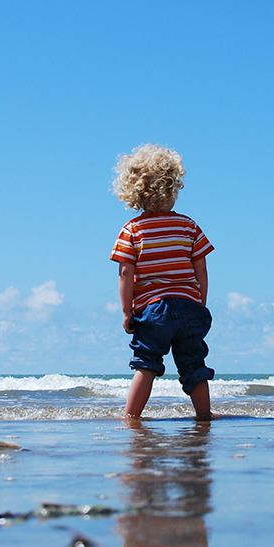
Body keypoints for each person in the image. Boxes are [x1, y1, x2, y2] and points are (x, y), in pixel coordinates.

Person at [110, 143, 215, 419]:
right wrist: (200, 301)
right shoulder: (188, 226)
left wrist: (126, 311)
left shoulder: (132, 230)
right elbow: (201, 268)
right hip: (189, 307)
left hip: (153, 310)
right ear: (173, 189)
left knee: (146, 365)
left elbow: (125, 273)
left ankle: (131, 418)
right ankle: (204, 416)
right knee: (194, 364)